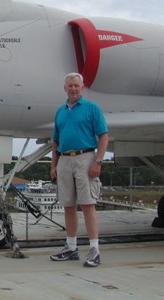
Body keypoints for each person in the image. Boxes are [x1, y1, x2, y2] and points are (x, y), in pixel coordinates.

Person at [50, 72, 108, 267]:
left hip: (86, 157)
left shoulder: (92, 108)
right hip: (64, 159)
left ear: (82, 88)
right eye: (70, 86)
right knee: (68, 205)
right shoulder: (60, 111)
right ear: (65, 88)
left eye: (76, 85)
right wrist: (53, 165)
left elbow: (103, 136)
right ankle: (71, 246)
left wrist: (97, 161)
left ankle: (94, 249)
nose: (73, 89)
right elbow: (55, 141)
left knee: (88, 204)